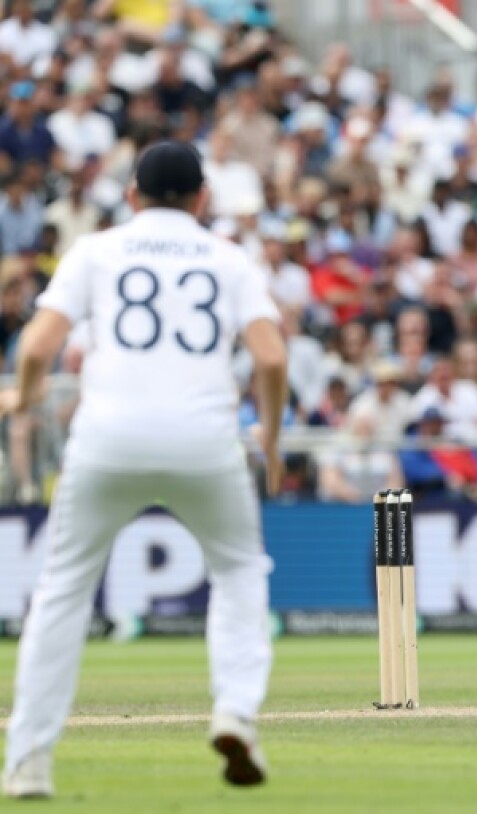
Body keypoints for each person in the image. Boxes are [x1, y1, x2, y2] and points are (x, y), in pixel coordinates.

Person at [1, 142, 288, 797]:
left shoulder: (98, 250)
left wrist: (27, 394)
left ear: (131, 196)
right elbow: (271, 359)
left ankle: (30, 761)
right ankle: (236, 712)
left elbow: (41, 343)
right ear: (201, 200)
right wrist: (268, 439)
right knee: (240, 571)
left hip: (108, 438)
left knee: (64, 590)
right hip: (205, 440)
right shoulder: (226, 256)